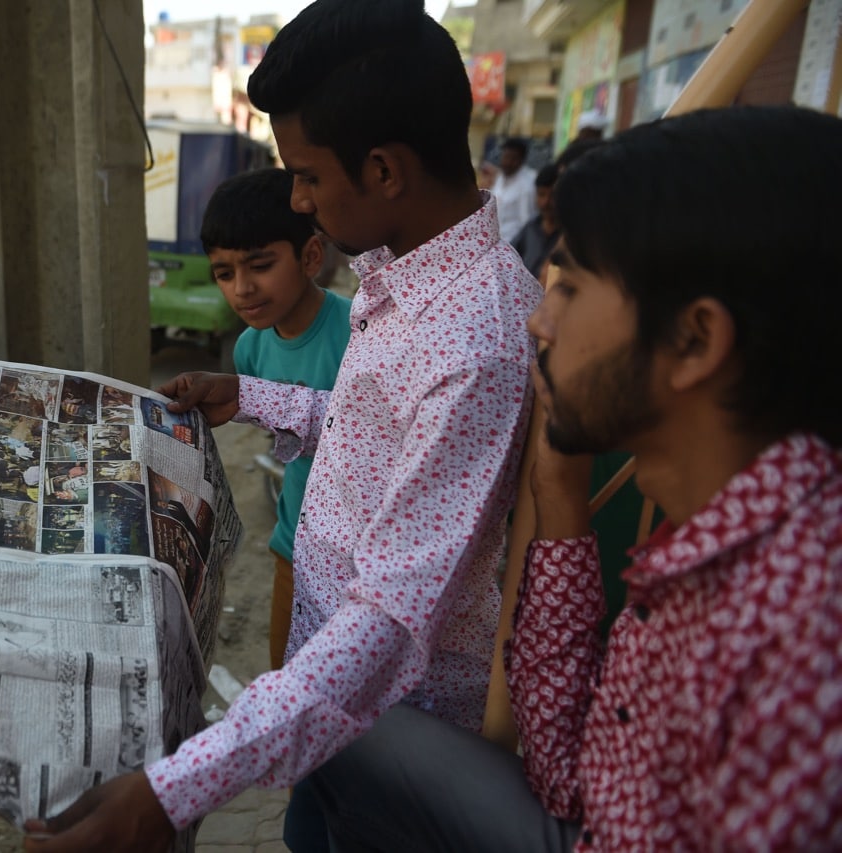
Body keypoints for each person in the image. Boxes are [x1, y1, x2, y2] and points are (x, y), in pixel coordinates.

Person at [23, 2, 539, 850]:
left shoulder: (476, 335)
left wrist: (170, 791)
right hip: (326, 696)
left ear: (382, 170)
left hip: (391, 719)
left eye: (305, 175)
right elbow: (385, 438)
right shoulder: (402, 276)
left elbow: (389, 625)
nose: (297, 198)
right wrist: (262, 399)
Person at [306, 106, 842, 851]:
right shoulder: (712, 532)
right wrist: (558, 496)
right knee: (349, 729)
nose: (537, 322)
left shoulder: (793, 645)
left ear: (694, 340)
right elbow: (564, 775)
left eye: (573, 286)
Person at [201, 167, 351, 670]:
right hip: (294, 544)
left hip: (360, 556)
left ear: (311, 256)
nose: (242, 289)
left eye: (260, 266)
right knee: (288, 675)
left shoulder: (360, 334)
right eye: (225, 274)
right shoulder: (250, 349)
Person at [510, 163, 559, 279]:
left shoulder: (569, 236)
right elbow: (509, 257)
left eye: (553, 196)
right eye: (541, 194)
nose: (545, 202)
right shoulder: (530, 227)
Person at [492, 136, 537, 244]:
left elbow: (526, 222)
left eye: (512, 158)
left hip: (512, 245)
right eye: (505, 157)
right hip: (495, 242)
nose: (507, 162)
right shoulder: (501, 178)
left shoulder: (527, 186)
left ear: (521, 160)